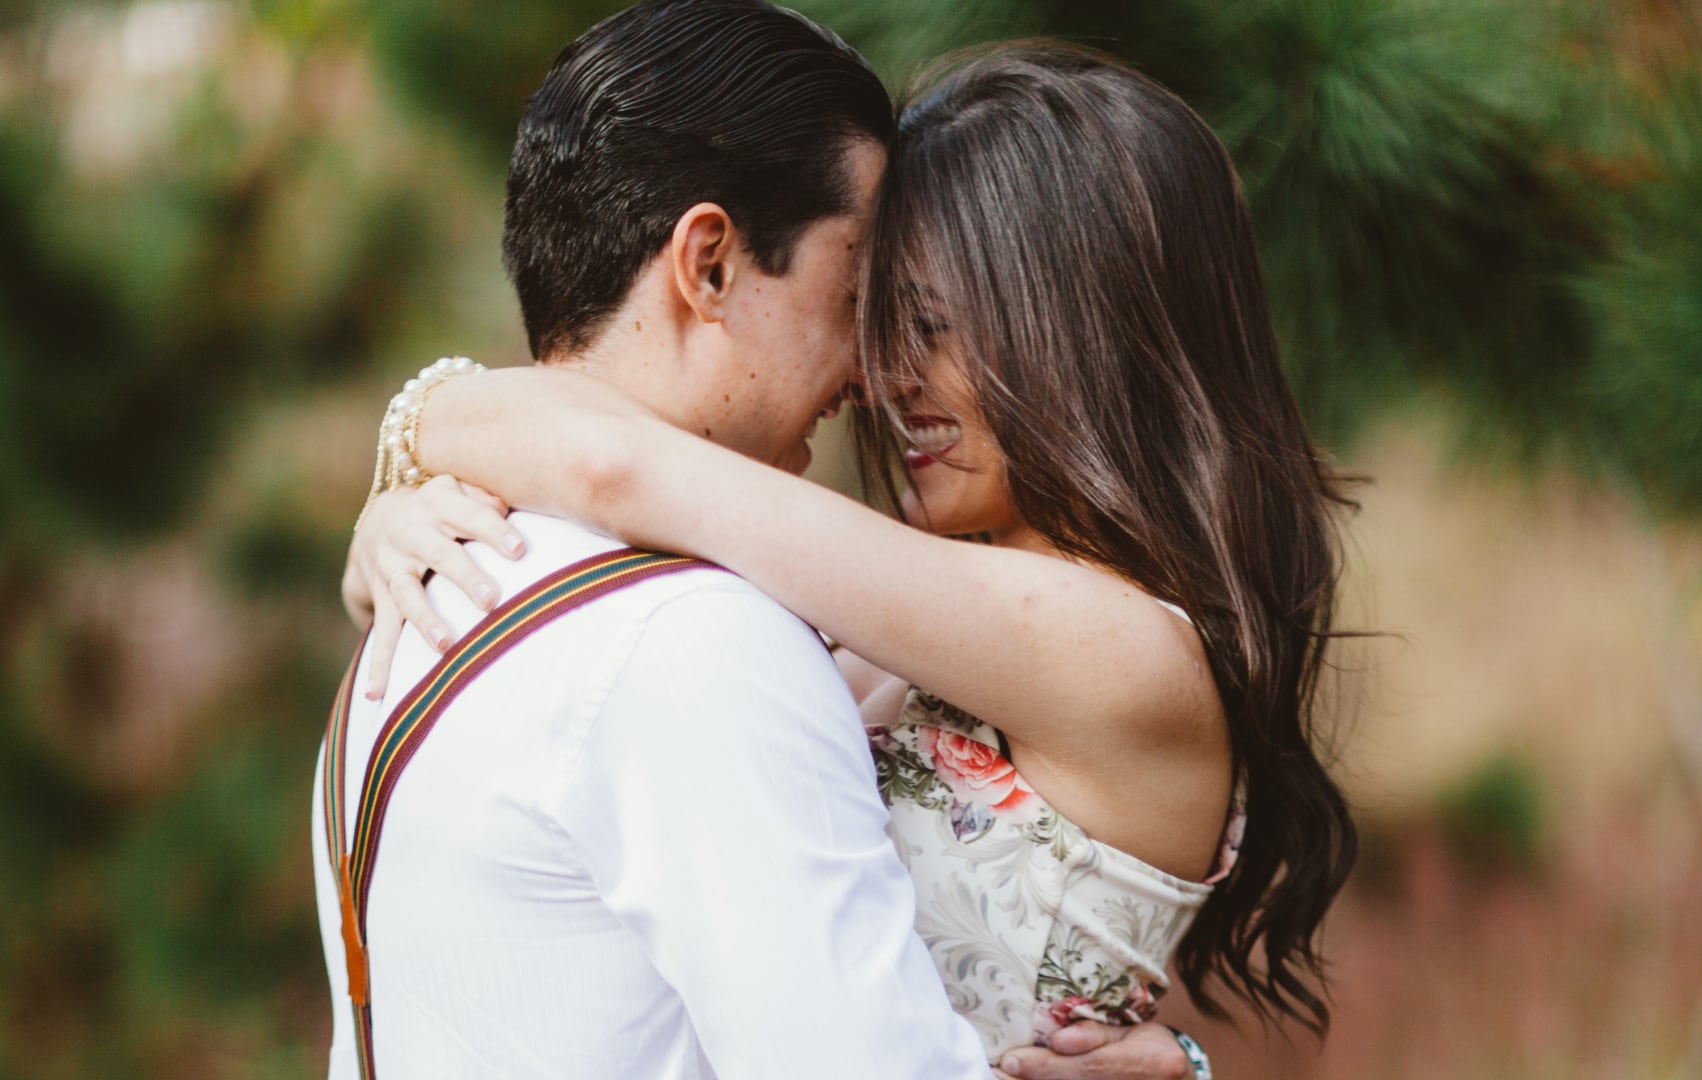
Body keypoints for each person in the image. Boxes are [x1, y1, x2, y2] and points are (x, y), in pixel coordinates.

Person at [350, 39, 1357, 1077]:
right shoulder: (939, 605)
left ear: (1086, 330)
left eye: (929, 324)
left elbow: (619, 467)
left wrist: (421, 421)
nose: (884, 378)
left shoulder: (1110, 645)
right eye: (877, 318)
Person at [316, 4, 1009, 1077]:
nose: (873, 373)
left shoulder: (428, 594)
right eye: (857, 288)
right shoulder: (693, 640)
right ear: (711, 262)